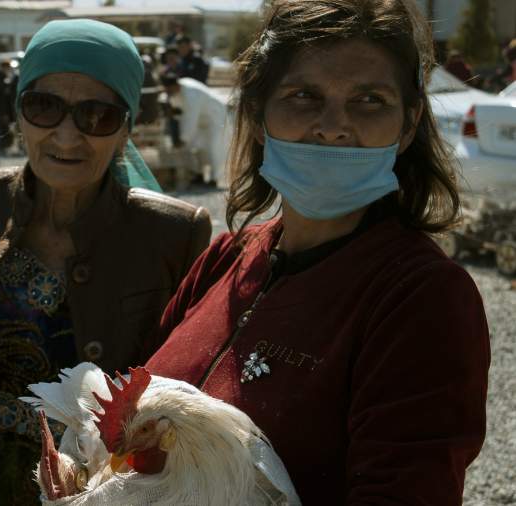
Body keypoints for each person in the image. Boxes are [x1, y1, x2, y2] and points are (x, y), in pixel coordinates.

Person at [145, 0, 490, 504]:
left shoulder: (421, 297)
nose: (333, 126)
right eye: (304, 96)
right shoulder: (225, 260)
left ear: (409, 125)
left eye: (368, 100)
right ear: (259, 117)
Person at [0, 19, 212, 506]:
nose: (66, 137)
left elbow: (197, 374)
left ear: (128, 126)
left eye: (97, 116)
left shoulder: (173, 234)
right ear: (19, 113)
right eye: (44, 107)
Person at [161, 72, 230, 185]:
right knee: (197, 147)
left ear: (174, 86)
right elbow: (182, 112)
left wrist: (183, 139)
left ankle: (214, 178)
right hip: (201, 120)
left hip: (215, 117)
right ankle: (199, 174)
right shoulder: (179, 88)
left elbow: (190, 118)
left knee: (214, 148)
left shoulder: (190, 94)